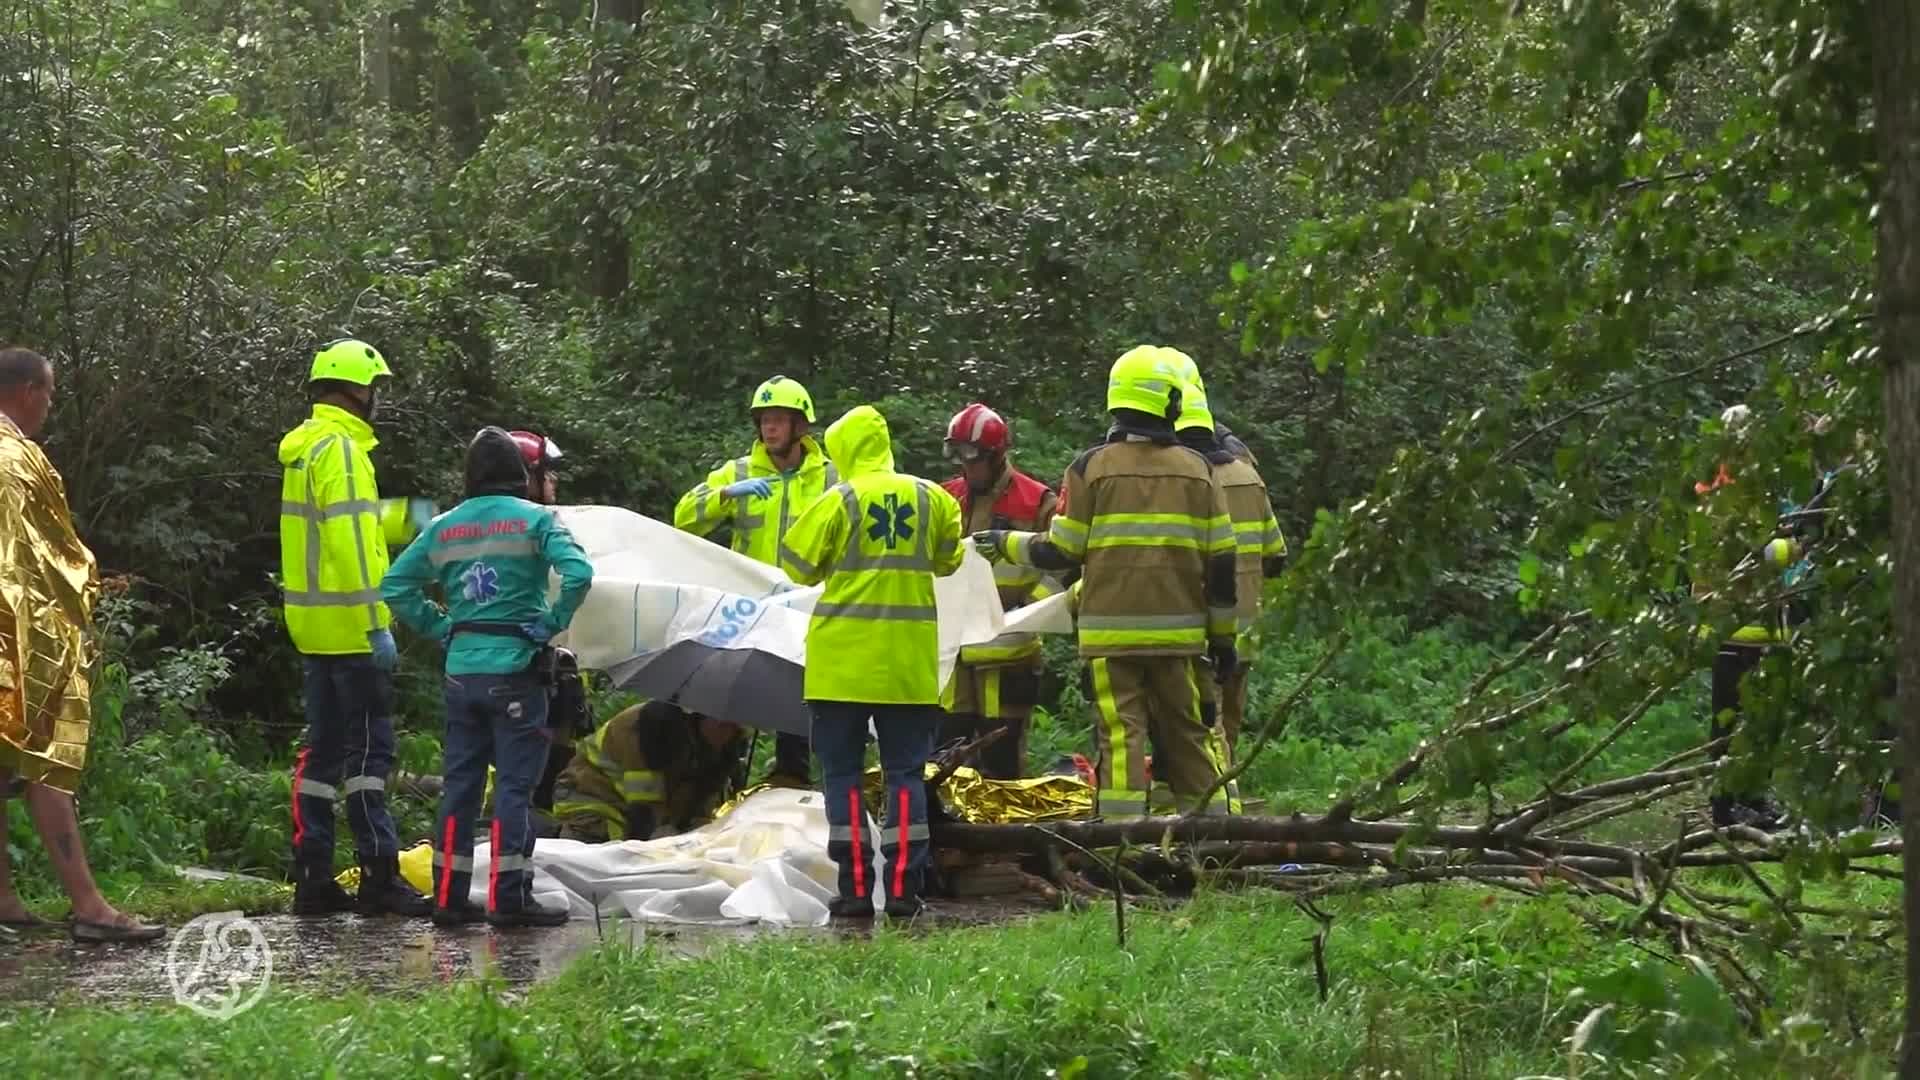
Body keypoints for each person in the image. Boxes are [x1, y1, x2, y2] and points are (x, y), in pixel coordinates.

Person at [974, 346, 1237, 819]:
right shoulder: (1198, 470)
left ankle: (1120, 842)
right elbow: (1222, 563)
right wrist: (1223, 640)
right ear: (1168, 402)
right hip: (1179, 638)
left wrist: (1004, 542)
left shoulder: (1089, 468)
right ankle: (1217, 840)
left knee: (1121, 738)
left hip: (1111, 639)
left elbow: (1061, 551)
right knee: (1189, 737)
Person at [381, 427, 595, 927]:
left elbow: (396, 585)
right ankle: (508, 898)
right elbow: (579, 574)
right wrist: (550, 622)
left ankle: (449, 898)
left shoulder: (443, 526)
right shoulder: (536, 520)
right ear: (519, 475)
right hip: (518, 669)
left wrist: (442, 628)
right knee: (515, 789)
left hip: (462, 673)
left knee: (460, 787)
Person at [0, 346, 164, 943]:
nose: (49, 407)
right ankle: (90, 907)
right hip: (21, 635)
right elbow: (44, 557)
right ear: (28, 392)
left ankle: (4, 896)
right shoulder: (18, 459)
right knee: (47, 760)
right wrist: (79, 602)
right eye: (48, 395)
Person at [779, 405, 964, 918]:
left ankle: (855, 891)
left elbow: (796, 566)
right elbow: (949, 560)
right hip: (908, 667)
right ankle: (904, 891)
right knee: (906, 776)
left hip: (840, 666)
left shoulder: (839, 499)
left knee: (842, 777)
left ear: (844, 450)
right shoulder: (933, 498)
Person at [279, 338, 437, 917]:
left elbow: (348, 522)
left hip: (313, 627)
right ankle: (378, 876)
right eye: (375, 388)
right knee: (369, 756)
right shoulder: (343, 449)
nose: (378, 399)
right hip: (352, 628)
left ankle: (313, 877)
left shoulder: (308, 447)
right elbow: (348, 543)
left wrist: (416, 518)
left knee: (320, 757)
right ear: (356, 389)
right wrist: (376, 622)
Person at [674, 376, 838, 790]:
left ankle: (791, 779)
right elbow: (684, 517)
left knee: (796, 698)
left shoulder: (830, 478)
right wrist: (726, 494)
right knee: (726, 699)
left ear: (801, 426)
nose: (770, 428)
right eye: (764, 420)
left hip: (803, 608)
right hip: (747, 609)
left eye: (779, 419)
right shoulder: (739, 471)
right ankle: (717, 780)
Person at [1165, 352, 1287, 757]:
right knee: (1228, 720)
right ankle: (1227, 782)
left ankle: (1217, 793)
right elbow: (1275, 556)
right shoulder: (1248, 474)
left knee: (1204, 724)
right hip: (1246, 624)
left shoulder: (1187, 480)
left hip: (1202, 625)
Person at [937, 403, 1061, 779]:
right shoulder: (945, 498)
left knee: (1001, 763)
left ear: (996, 455)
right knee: (945, 758)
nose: (965, 467)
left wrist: (1025, 612)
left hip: (1009, 655)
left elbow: (1062, 571)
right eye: (958, 457)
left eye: (972, 458)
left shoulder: (1037, 502)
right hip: (954, 658)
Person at [550, 700, 749, 842]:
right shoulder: (650, 726)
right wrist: (654, 841)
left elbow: (701, 808)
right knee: (595, 854)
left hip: (644, 811)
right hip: (590, 795)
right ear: (699, 713)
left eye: (733, 726)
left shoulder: (724, 750)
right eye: (721, 722)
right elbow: (644, 805)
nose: (726, 731)